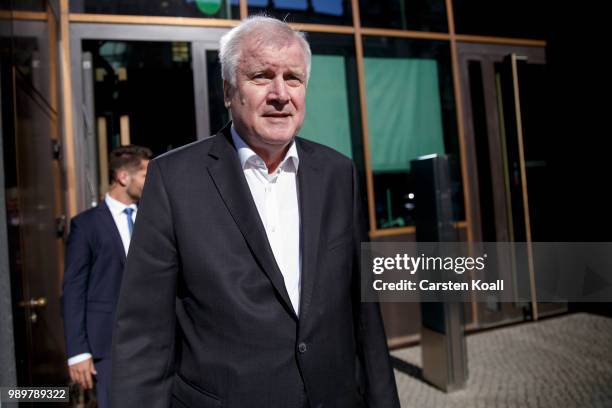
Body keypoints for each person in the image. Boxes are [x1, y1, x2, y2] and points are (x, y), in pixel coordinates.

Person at [111, 16, 399, 408]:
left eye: (293, 79)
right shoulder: (174, 179)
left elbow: (364, 316)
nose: (281, 94)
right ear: (229, 91)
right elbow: (144, 335)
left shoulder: (337, 172)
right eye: (262, 76)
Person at [62, 145, 151, 408]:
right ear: (123, 177)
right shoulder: (86, 225)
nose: (153, 182)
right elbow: (74, 290)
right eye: (146, 175)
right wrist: (78, 351)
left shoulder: (154, 217)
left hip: (154, 343)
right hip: (108, 346)